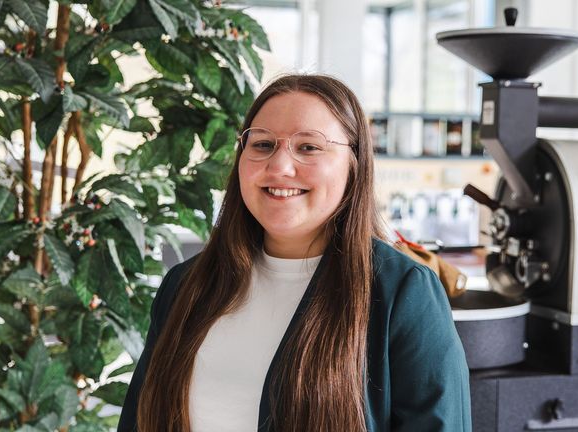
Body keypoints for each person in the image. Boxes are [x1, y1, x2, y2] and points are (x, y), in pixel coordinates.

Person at [117, 74, 471, 432]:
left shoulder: (402, 292)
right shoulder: (186, 285)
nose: (280, 167)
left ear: (355, 163)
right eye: (263, 144)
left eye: (308, 147)